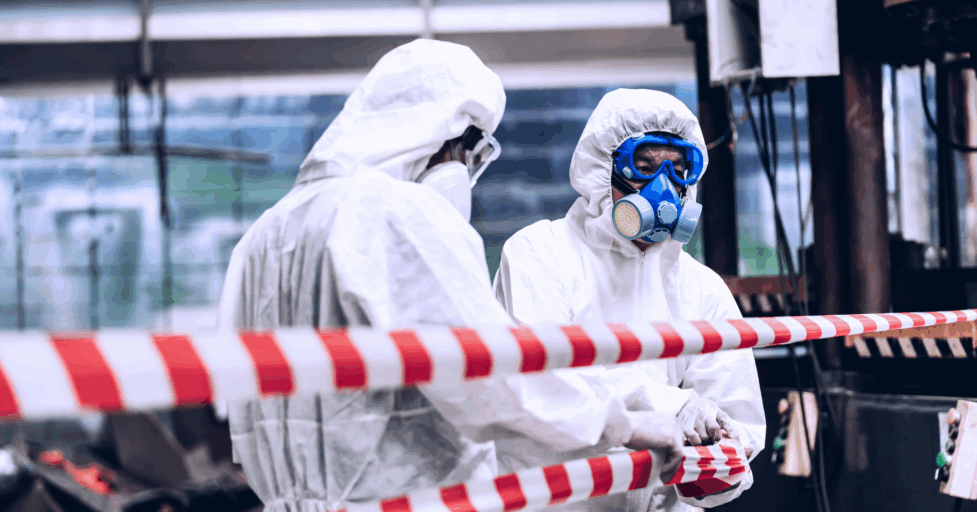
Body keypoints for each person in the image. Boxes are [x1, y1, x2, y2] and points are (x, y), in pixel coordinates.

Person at [219, 41, 684, 512]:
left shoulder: (265, 233)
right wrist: (627, 422)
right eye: (469, 153)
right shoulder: (396, 213)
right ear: (442, 135)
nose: (465, 172)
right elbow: (488, 373)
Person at [492, 88, 766, 512]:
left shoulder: (702, 288)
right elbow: (553, 379)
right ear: (603, 170)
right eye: (644, 167)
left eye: (679, 169)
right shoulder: (538, 254)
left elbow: (738, 420)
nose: (664, 188)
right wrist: (674, 407)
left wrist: (718, 458)